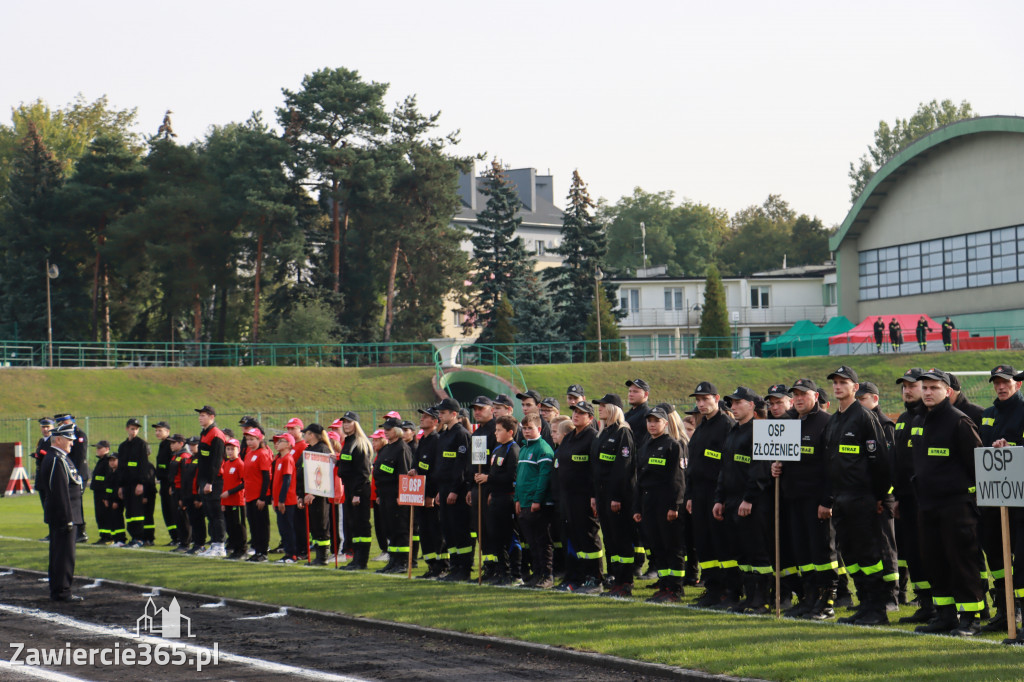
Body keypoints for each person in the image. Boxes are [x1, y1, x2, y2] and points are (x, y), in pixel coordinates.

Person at [912, 369, 986, 636]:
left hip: (957, 506)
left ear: (948, 391)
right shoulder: (920, 419)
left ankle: (970, 618)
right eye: (925, 387)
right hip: (928, 504)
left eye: (934, 388)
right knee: (935, 561)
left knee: (961, 562)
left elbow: (977, 465)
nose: (928, 392)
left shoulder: (959, 422)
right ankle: (945, 615)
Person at [823, 365, 893, 625]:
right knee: (850, 555)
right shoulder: (834, 420)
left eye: (844, 382)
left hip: (862, 498)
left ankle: (878, 608)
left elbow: (881, 462)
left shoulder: (864, 417)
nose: (838, 386)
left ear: (855, 387)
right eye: (835, 382)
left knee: (869, 555)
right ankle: (864, 604)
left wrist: (878, 496)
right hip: (841, 500)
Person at [771, 378, 837, 619]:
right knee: (803, 553)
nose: (799, 399)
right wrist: (776, 467)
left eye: (803, 394)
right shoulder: (787, 423)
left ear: (815, 397)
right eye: (795, 395)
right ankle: (810, 598)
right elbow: (780, 457)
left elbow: (833, 466)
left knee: (823, 553)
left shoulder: (827, 423)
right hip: (793, 498)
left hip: (817, 500)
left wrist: (827, 500)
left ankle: (827, 602)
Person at [713, 388, 772, 613]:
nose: (733, 407)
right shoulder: (734, 431)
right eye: (731, 403)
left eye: (738, 403)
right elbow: (724, 469)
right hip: (731, 501)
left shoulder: (760, 430)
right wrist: (719, 498)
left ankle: (762, 600)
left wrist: (749, 498)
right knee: (742, 553)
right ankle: (749, 597)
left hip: (753, 503)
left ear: (751, 405)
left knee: (757, 551)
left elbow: (760, 469)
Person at [977, 365, 1024, 634]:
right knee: (995, 555)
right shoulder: (987, 414)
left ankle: (1018, 609)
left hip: (1019, 499)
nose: (1000, 387)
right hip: (993, 498)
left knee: (1020, 557)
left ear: (1017, 385)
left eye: (1005, 382)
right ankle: (1005, 610)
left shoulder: (1022, 411)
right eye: (996, 382)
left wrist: (1012, 448)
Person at [684, 381, 737, 608]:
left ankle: (729, 590)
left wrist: (721, 497)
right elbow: (692, 464)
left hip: (716, 492)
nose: (701, 404)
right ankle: (713, 588)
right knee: (704, 543)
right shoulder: (702, 426)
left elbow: (727, 465)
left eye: (705, 399)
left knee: (722, 543)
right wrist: (689, 496)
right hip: (698, 493)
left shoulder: (726, 425)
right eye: (698, 400)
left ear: (716, 399)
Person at [890, 369, 933, 624]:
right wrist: (895, 494)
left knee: (929, 551)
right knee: (913, 554)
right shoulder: (904, 419)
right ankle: (925, 603)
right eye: (903, 386)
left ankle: (941, 604)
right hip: (905, 498)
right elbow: (898, 460)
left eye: (912, 386)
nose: (907, 390)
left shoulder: (931, 417)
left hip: (926, 498)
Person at [635, 407, 687, 603]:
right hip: (649, 503)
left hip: (666, 504)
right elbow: (640, 480)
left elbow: (678, 479)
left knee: (671, 546)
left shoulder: (672, 445)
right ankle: (664, 584)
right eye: (649, 421)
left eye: (656, 421)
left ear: (665, 423)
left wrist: (675, 506)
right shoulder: (646, 445)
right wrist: (637, 508)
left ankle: (675, 588)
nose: (652, 424)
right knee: (657, 546)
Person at [554, 401, 602, 593]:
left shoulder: (592, 437)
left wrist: (593, 496)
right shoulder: (570, 437)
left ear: (590, 418)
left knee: (588, 536)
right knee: (571, 537)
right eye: (574, 411)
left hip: (583, 498)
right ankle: (575, 576)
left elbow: (595, 470)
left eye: (582, 413)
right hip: (567, 497)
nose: (576, 415)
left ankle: (595, 578)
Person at [592, 394, 637, 597]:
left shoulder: (622, 432)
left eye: (603, 405)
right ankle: (615, 578)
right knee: (610, 539)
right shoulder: (603, 432)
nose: (599, 409)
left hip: (616, 496)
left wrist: (617, 496)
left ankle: (625, 581)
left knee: (621, 538)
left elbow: (624, 467)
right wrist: (595, 495)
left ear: (613, 408)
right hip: (602, 495)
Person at [38, 423, 84, 602]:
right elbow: (60, 492)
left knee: (62, 554)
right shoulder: (56, 459)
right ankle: (62, 591)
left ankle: (61, 589)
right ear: (58, 439)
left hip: (67, 515)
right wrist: (67, 519)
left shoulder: (61, 458)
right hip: (63, 517)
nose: (72, 443)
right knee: (63, 556)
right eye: (69, 440)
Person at [476, 414, 520, 585]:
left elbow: (512, 477)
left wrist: (488, 479)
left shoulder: (513, 449)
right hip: (495, 499)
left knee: (510, 537)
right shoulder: (497, 449)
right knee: (496, 537)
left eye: (499, 430)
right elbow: (494, 473)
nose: (495, 433)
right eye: (495, 430)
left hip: (507, 500)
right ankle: (503, 572)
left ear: (510, 432)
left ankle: (515, 574)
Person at [435, 397, 475, 581]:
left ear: (454, 414)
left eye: (443, 413)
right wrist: (439, 491)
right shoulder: (444, 435)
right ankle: (454, 566)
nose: (440, 416)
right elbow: (441, 465)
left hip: (455, 490)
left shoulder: (461, 434)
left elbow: (462, 466)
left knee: (459, 529)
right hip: (443, 489)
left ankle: (464, 568)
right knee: (448, 529)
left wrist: (455, 489)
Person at [515, 413, 555, 589]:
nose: (526, 431)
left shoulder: (543, 449)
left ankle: (547, 575)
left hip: (538, 504)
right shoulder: (523, 448)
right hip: (523, 502)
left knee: (542, 541)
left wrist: (537, 500)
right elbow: (520, 478)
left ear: (539, 429)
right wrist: (517, 499)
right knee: (531, 541)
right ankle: (536, 574)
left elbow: (543, 479)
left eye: (530, 428)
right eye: (524, 428)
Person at [373, 417, 414, 574]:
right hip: (384, 494)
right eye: (385, 429)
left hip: (395, 495)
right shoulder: (386, 448)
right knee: (389, 528)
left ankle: (402, 562)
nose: (386, 431)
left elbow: (403, 472)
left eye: (389, 429)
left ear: (397, 431)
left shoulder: (402, 448)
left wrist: (401, 494)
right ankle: (393, 560)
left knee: (400, 529)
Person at [412, 406, 447, 578]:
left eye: (426, 417)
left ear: (435, 422)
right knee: (424, 531)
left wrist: (431, 494)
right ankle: (431, 564)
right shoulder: (423, 441)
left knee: (435, 531)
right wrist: (414, 471)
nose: (422, 419)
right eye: (422, 416)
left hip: (430, 496)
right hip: (420, 494)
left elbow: (436, 470)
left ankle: (441, 565)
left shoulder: (436, 440)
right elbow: (420, 465)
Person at [337, 412, 375, 570]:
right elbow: (349, 464)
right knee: (352, 525)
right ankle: (356, 558)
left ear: (356, 424)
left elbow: (364, 472)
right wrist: (338, 460)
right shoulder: (348, 442)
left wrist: (357, 493)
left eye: (349, 422)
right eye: (344, 422)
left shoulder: (359, 443)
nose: (346, 425)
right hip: (349, 488)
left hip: (358, 490)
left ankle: (361, 560)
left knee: (361, 525)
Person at [301, 423, 337, 566]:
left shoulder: (322, 449)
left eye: (306, 433)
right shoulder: (309, 449)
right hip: (309, 493)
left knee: (321, 525)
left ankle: (322, 557)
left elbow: (322, 474)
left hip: (319, 495)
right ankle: (318, 555)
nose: (304, 435)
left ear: (312, 435)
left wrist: (313, 493)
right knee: (314, 526)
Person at [195, 406, 227, 558]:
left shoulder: (216, 434)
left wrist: (210, 482)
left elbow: (216, 461)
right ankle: (213, 543)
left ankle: (220, 545)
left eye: (203, 415)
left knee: (216, 513)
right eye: (200, 415)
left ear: (212, 417)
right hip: (204, 480)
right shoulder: (204, 433)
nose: (200, 418)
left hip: (214, 480)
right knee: (209, 513)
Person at [117, 418, 153, 548]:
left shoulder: (141, 444)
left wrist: (141, 483)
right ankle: (133, 537)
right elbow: (121, 467)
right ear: (127, 429)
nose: (134, 431)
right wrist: (120, 486)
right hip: (126, 484)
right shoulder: (123, 446)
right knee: (130, 512)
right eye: (132, 428)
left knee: (137, 512)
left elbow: (144, 465)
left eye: (136, 429)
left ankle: (139, 538)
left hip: (136, 483)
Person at [55, 414, 89, 543]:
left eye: (62, 424)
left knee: (76, 502)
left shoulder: (79, 434)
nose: (61, 427)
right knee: (71, 502)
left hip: (78, 473)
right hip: (70, 472)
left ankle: (81, 530)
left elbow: (80, 457)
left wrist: (76, 476)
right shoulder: (67, 434)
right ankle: (75, 529)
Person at [241, 428, 272, 563]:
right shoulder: (249, 454)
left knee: (261, 525)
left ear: (260, 440)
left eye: (252, 439)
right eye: (248, 439)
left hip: (258, 496)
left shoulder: (263, 454)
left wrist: (262, 497)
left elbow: (266, 477)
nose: (249, 442)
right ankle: (257, 550)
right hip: (249, 495)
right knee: (253, 524)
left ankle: (263, 552)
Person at [272, 433, 300, 563]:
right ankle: (288, 553)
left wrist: (282, 500)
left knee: (288, 528)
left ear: (289, 444)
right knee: (283, 528)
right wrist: (274, 499)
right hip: (279, 500)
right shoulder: (278, 459)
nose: (277, 443)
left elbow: (287, 481)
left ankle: (292, 555)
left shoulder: (288, 459)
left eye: (281, 441)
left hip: (287, 501)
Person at [220, 437, 248, 559]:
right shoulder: (226, 464)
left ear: (238, 450)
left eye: (232, 449)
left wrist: (230, 492)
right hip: (227, 502)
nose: (230, 452)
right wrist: (223, 502)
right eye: (228, 449)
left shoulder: (240, 464)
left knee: (239, 526)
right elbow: (225, 484)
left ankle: (242, 550)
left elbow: (244, 482)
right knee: (230, 527)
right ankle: (235, 549)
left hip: (237, 501)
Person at [152, 421, 177, 547]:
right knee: (167, 510)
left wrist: (171, 484)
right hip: (163, 483)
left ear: (167, 431)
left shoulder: (169, 445)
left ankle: (179, 536)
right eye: (156, 430)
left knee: (173, 510)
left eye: (160, 430)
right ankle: (174, 536)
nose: (157, 433)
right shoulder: (162, 445)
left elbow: (172, 466)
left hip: (169, 483)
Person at [181, 437, 206, 554]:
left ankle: (200, 544)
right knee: (193, 520)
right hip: (188, 495)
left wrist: (198, 498)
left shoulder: (201, 459)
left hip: (196, 495)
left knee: (198, 520)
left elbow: (200, 479)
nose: (191, 447)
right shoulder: (190, 459)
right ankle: (195, 543)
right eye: (190, 445)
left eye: (194, 445)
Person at [166, 434, 191, 552]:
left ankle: (186, 543)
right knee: (177, 517)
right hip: (175, 489)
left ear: (181, 443)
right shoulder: (175, 456)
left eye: (173, 442)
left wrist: (183, 496)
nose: (171, 445)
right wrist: (172, 486)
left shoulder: (184, 456)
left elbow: (185, 477)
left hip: (182, 490)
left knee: (183, 517)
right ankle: (182, 541)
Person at [89, 440, 114, 544]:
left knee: (104, 515)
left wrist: (106, 496)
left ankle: (108, 536)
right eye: (97, 448)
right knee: (99, 515)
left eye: (100, 448)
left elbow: (108, 480)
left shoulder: (107, 462)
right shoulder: (101, 461)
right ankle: (103, 536)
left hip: (102, 494)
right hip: (98, 493)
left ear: (107, 449)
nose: (97, 450)